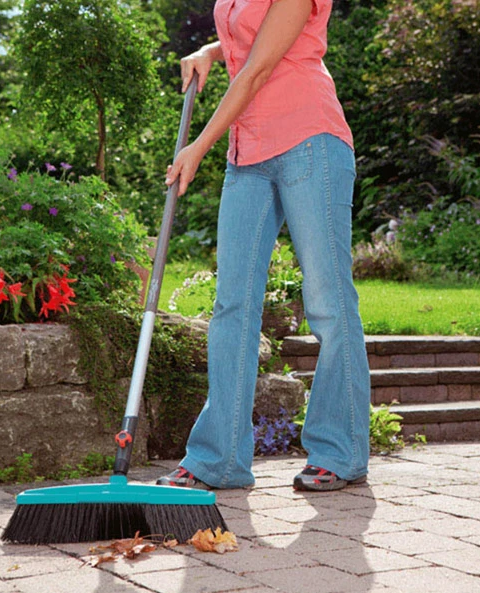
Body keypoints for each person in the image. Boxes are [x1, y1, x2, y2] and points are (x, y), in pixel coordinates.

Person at [156, 0, 370, 492]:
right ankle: (220, 460)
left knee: (329, 302)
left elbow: (257, 69)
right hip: (248, 152)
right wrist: (210, 52)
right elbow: (249, 33)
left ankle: (341, 452)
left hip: (309, 139)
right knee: (232, 305)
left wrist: (198, 146)